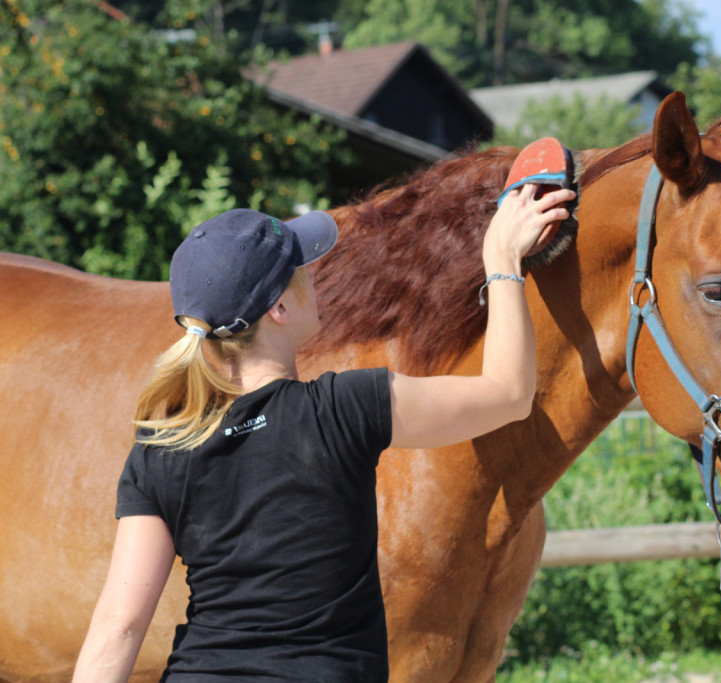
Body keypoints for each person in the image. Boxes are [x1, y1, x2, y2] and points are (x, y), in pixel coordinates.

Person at [72, 184, 575, 682]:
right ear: (279, 310)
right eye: (300, 270)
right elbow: (510, 393)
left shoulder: (160, 448)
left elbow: (119, 625)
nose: (313, 273)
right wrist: (502, 257)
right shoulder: (344, 410)